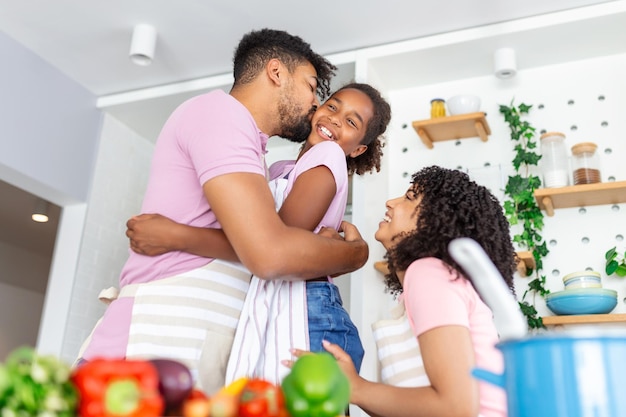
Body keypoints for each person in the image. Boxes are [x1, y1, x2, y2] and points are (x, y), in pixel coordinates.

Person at [76, 28, 370, 394]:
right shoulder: (221, 116)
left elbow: (258, 241)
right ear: (276, 73)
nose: (315, 103)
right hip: (159, 333)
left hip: (193, 338)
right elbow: (268, 252)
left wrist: (178, 234)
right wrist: (352, 254)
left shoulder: (252, 150)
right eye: (312, 86)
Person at [125, 83, 392, 384]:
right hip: (280, 303)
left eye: (351, 121)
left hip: (309, 310)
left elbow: (272, 247)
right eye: (333, 106)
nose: (335, 118)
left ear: (358, 149)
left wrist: (175, 236)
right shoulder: (281, 169)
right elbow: (256, 240)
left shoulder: (329, 155)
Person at [310, 166, 516, 417]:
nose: (390, 202)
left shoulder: (428, 274)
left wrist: (355, 387)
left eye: (409, 197)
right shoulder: (425, 285)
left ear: (435, 220)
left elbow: (456, 407)